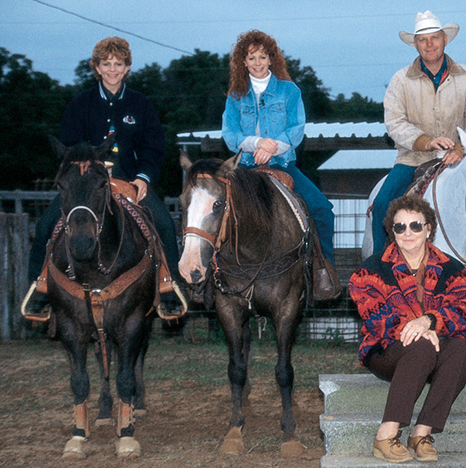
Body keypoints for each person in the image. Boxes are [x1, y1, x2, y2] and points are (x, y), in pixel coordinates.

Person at [24, 36, 185, 318]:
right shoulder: (80, 103)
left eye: (118, 64)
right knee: (48, 223)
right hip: (87, 185)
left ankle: (169, 288)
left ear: (127, 68)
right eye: (106, 64)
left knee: (163, 223)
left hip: (130, 180)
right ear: (96, 67)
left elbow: (154, 146)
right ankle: (40, 289)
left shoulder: (141, 104)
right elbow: (70, 146)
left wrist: (145, 177)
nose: (112, 69)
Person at [349, 195, 466, 463]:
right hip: (386, 352)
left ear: (429, 228)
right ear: (392, 231)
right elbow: (376, 318)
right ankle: (386, 433)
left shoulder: (453, 270)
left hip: (433, 348)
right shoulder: (370, 270)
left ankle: (421, 433)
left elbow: (463, 313)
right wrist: (420, 328)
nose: (408, 233)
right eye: (400, 227)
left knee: (463, 347)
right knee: (421, 344)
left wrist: (430, 321)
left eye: (416, 226)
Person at [371, 11, 466, 252]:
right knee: (383, 204)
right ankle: (378, 267)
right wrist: (425, 141)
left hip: (459, 159)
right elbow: (394, 121)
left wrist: (460, 148)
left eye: (434, 37)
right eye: (423, 39)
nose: (429, 44)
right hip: (412, 159)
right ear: (415, 45)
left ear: (445, 39)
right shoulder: (400, 80)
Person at [221, 30, 335, 266]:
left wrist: (271, 148)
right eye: (251, 58)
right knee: (215, 214)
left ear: (271, 59)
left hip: (282, 163)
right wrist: (256, 143)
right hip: (245, 166)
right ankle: (213, 275)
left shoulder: (289, 91)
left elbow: (296, 129)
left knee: (322, 210)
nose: (257, 63)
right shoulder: (235, 96)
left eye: (262, 57)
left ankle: (324, 271)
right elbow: (230, 135)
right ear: (243, 62)